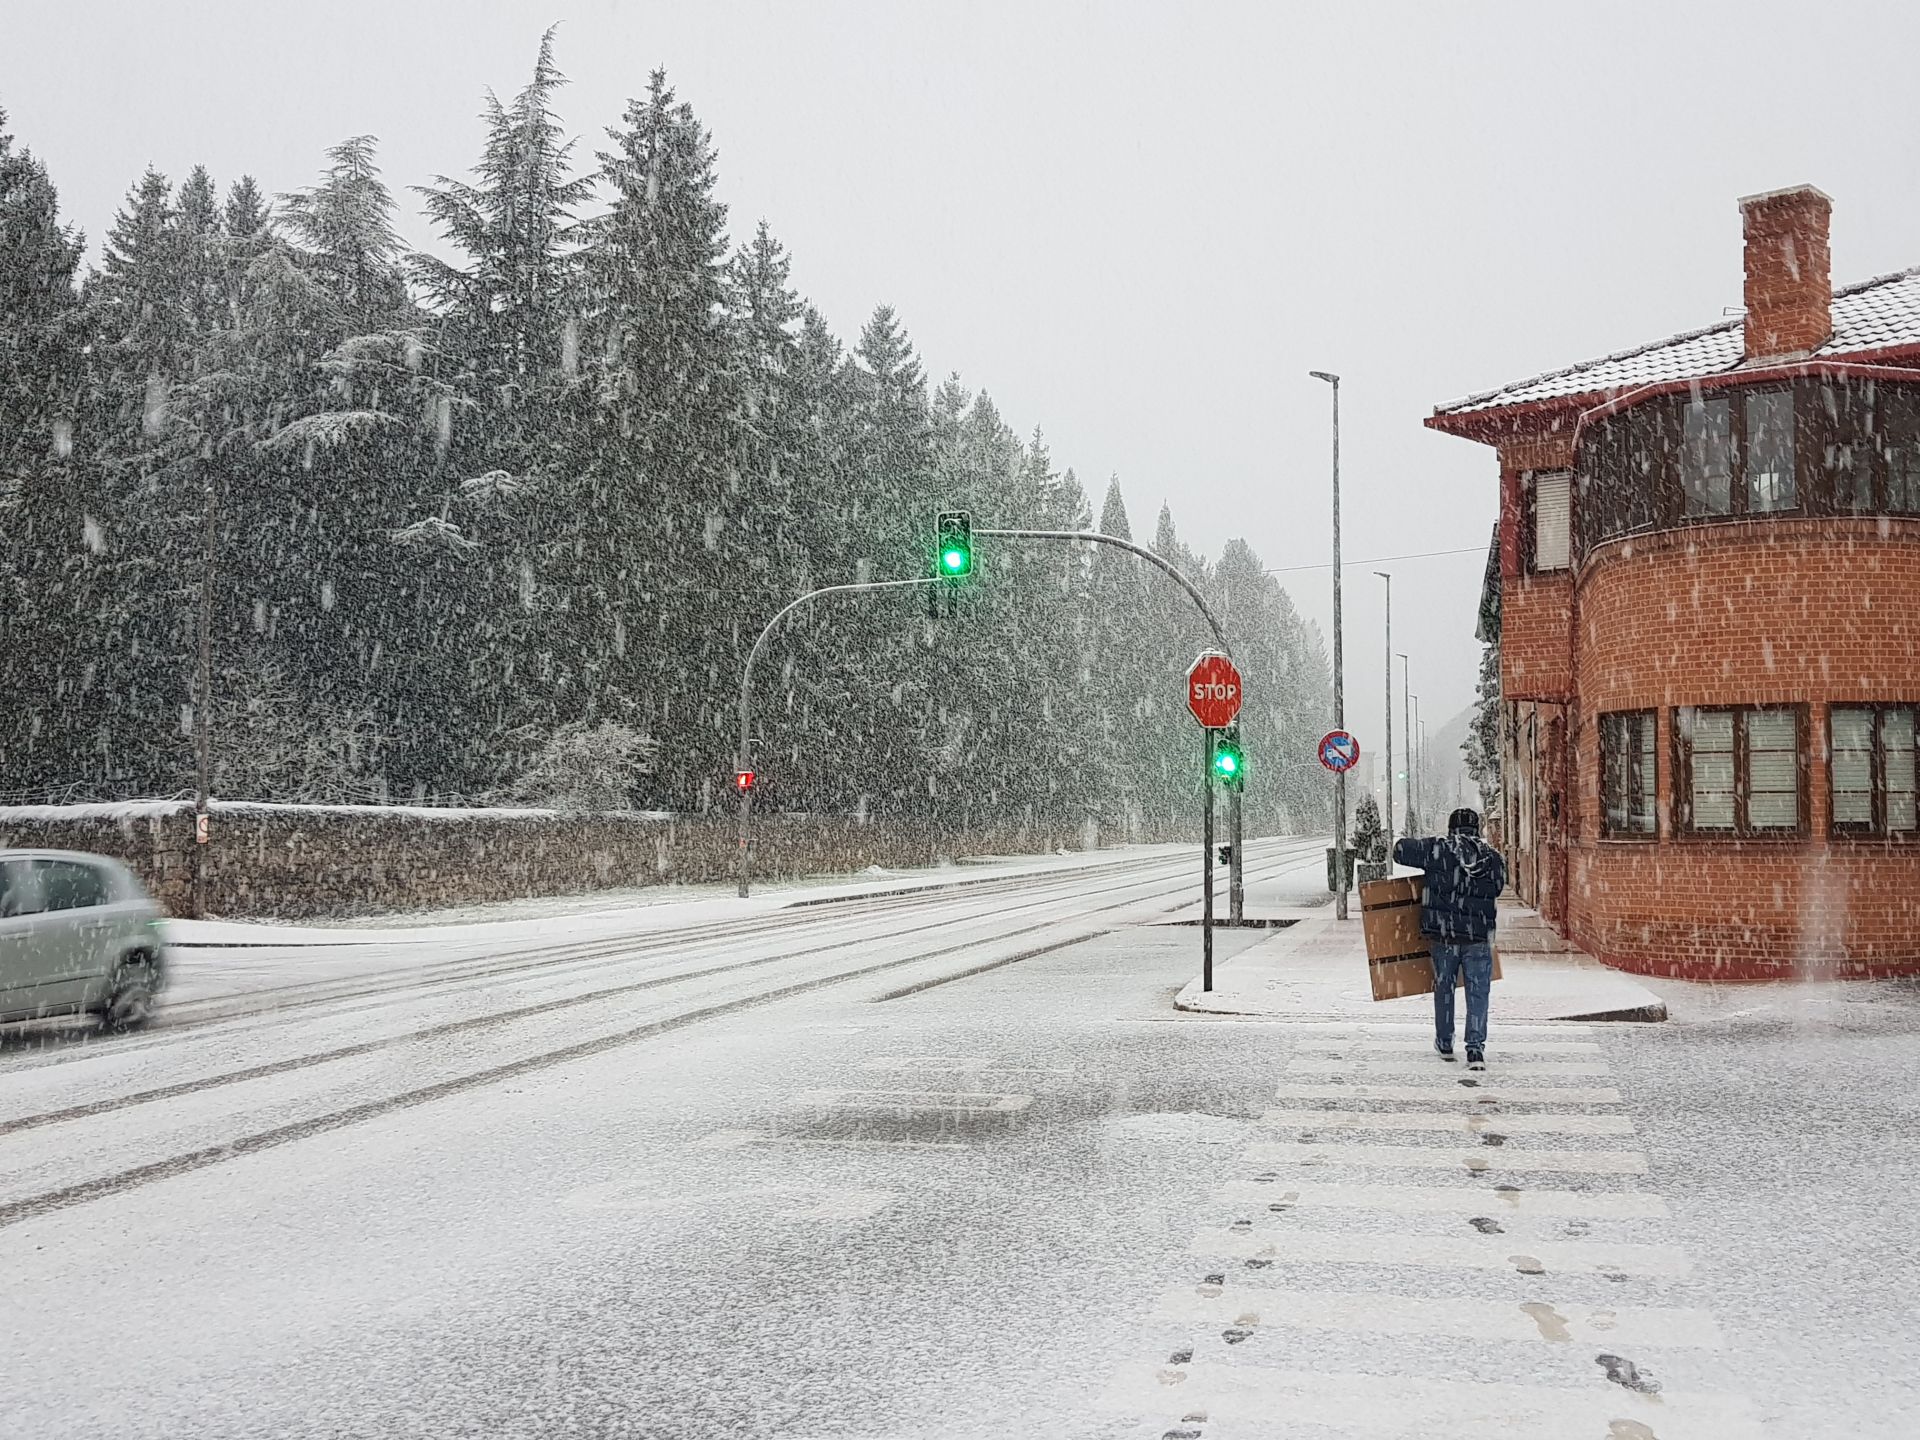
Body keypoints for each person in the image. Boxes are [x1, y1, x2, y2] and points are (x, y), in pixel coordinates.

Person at [1392, 807, 1507, 1069]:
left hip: (1443, 936)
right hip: (1477, 937)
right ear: (1478, 829)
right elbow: (1498, 887)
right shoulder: (1492, 857)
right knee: (1479, 992)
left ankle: (1445, 1041)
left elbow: (1399, 851)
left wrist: (1429, 847)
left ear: (1451, 828)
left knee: (1444, 989)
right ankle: (1475, 1048)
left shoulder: (1439, 850)